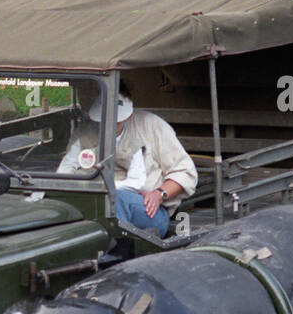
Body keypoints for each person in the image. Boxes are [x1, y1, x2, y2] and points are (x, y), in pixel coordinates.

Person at [57, 79, 196, 237]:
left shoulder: (151, 125)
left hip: (146, 209)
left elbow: (185, 171)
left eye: (117, 119)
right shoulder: (86, 133)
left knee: (116, 200)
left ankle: (111, 248)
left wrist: (159, 194)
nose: (111, 123)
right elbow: (65, 169)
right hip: (92, 202)